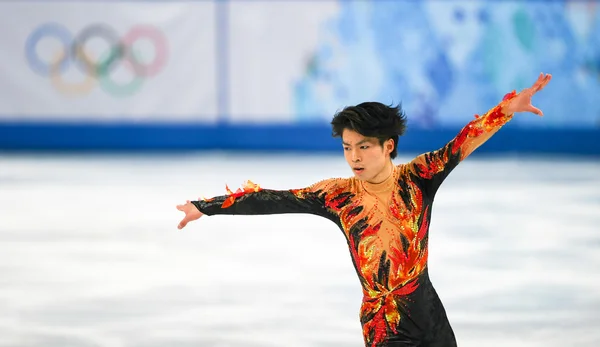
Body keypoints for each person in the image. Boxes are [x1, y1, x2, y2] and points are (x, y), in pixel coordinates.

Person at [176, 73, 552, 347]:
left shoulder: (419, 177)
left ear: (388, 146)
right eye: (346, 147)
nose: (353, 157)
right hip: (384, 326)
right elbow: (271, 198)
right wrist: (205, 207)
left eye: (364, 147)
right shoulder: (338, 195)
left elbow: (463, 143)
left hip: (431, 318)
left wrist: (506, 109)